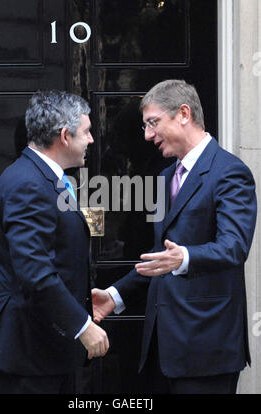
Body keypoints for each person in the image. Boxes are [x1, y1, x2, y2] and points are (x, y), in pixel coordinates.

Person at [92, 79, 257, 394]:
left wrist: (186, 257)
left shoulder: (229, 173)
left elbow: (234, 246)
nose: (147, 135)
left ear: (184, 113)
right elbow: (160, 259)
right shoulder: (166, 176)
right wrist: (114, 297)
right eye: (145, 126)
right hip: (160, 350)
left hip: (206, 353)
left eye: (153, 123)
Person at [0, 90, 109, 394]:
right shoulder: (28, 184)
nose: (91, 140)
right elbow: (35, 272)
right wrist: (83, 326)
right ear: (65, 136)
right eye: (87, 131)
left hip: (45, 353)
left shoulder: (49, 179)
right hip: (27, 356)